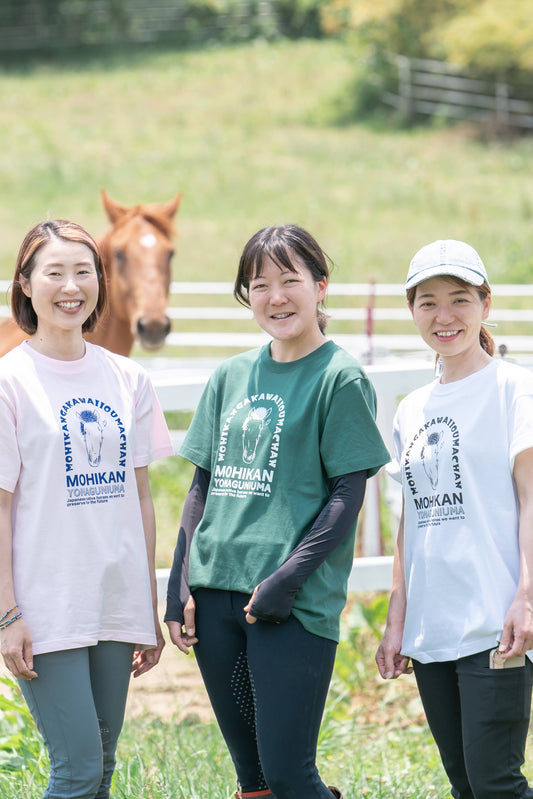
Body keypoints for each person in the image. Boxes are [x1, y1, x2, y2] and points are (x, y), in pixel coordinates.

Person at [165, 224, 390, 799]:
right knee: (255, 781)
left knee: (291, 776)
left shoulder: (339, 378)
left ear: (320, 286)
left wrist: (287, 581)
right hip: (215, 594)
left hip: (291, 601)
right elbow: (201, 485)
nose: (276, 297)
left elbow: (348, 493)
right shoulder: (231, 375)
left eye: (290, 281)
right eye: (259, 284)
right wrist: (179, 579)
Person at [0, 220, 174, 799]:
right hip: (45, 606)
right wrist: (6, 614)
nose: (70, 286)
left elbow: (141, 499)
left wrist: (145, 605)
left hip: (114, 598)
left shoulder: (128, 377)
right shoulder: (9, 382)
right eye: (54, 272)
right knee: (74, 773)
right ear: (25, 284)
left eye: (83, 271)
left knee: (100, 768)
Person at [376, 239, 533, 799]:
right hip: (433, 628)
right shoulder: (412, 407)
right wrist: (398, 618)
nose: (445, 316)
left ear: (485, 304)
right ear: (413, 311)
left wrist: (526, 598)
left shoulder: (515, 389)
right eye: (428, 302)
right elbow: (409, 523)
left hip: (496, 623)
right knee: (464, 784)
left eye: (460, 299)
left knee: (496, 783)